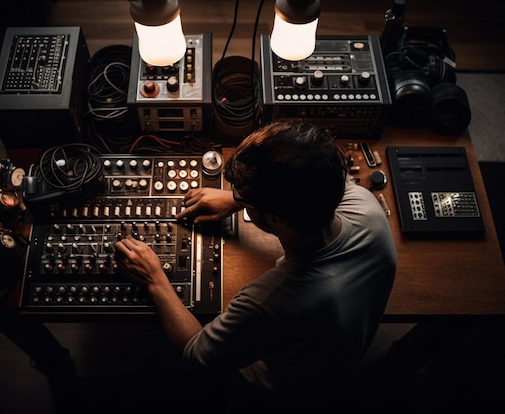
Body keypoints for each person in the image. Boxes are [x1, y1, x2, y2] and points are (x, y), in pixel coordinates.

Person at [114, 121, 397, 412]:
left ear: (274, 219)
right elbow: (304, 181)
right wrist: (237, 200)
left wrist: (154, 280)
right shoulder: (366, 206)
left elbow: (196, 357)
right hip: (336, 353)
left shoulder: (271, 301)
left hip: (284, 392)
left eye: (245, 197)